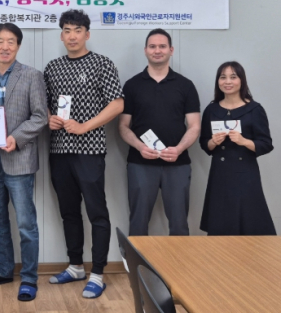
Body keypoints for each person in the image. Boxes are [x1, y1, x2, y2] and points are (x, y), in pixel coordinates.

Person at [44, 10, 124, 299]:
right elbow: (44, 105)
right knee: (68, 212)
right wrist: (50, 118)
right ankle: (75, 265)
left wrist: (85, 126)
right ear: (61, 35)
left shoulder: (102, 63)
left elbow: (117, 104)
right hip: (59, 150)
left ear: (87, 34)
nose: (72, 36)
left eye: (77, 30)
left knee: (96, 212)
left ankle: (98, 273)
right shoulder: (52, 67)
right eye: (67, 30)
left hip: (89, 150)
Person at [0, 23, 48, 302]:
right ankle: (3, 271)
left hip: (20, 161)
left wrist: (16, 137)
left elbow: (40, 116)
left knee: (26, 224)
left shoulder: (32, 75)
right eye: (0, 41)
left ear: (18, 45)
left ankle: (29, 278)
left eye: (11, 41)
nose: (5, 46)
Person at [118, 29, 200, 237]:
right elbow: (123, 126)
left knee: (179, 225)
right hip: (140, 163)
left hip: (177, 163)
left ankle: (178, 261)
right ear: (145, 50)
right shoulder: (132, 85)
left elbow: (194, 126)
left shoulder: (186, 85)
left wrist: (179, 149)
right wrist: (140, 147)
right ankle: (137, 261)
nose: (157, 50)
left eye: (162, 46)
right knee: (138, 223)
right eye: (152, 46)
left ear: (171, 50)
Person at [199, 61, 276, 235]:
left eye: (233, 77)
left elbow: (266, 144)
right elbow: (204, 143)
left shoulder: (254, 109)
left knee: (249, 222)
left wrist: (244, 141)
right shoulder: (211, 109)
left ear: (242, 80)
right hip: (220, 173)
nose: (228, 81)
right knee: (221, 223)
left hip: (246, 173)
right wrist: (213, 142)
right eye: (223, 77)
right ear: (218, 81)